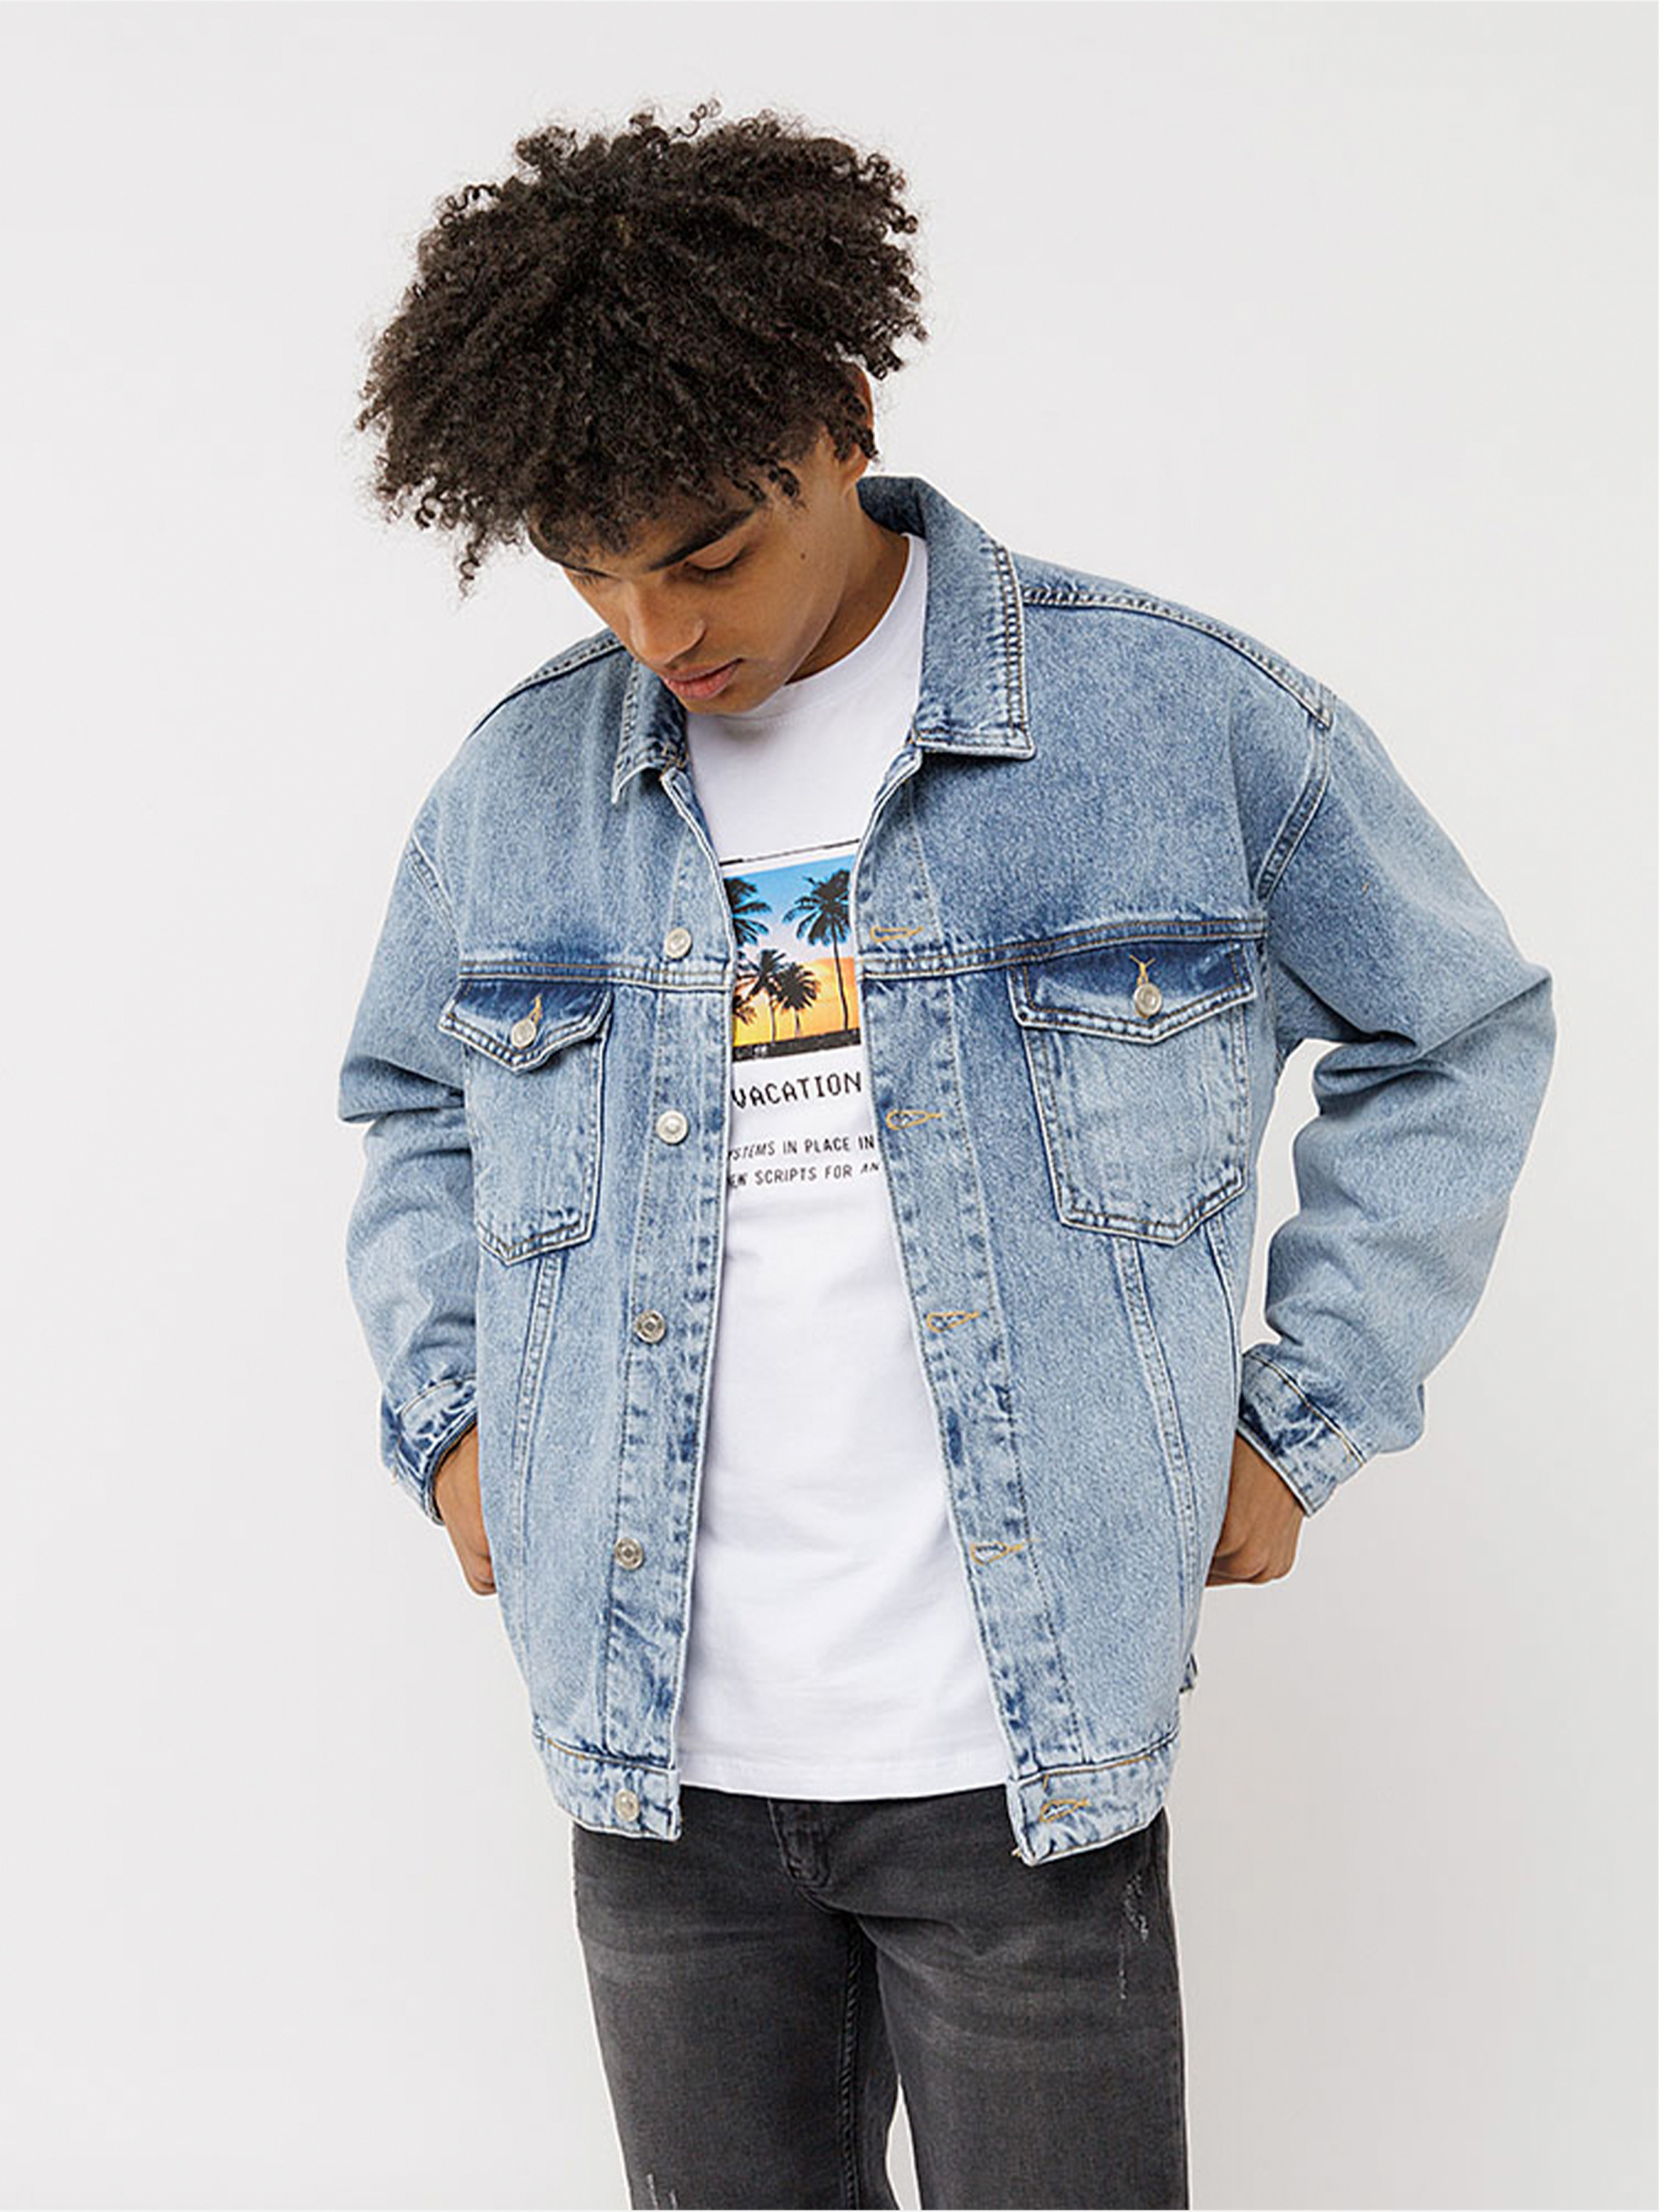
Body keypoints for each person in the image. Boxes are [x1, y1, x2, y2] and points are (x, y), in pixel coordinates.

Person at [337, 99, 1555, 2211]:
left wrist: (1303, 1419)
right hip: (656, 1767)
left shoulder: (1172, 721)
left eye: (706, 552)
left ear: (841, 419)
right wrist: (455, 1425)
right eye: (592, 570)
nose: (657, 631)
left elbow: (1457, 1030)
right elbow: (413, 1106)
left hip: (1020, 1753)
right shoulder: (519, 787)